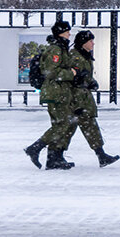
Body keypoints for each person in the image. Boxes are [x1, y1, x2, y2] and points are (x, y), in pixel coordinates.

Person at [24, 20, 79, 170]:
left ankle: (54, 158)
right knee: (63, 124)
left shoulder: (61, 48)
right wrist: (71, 73)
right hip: (56, 92)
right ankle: (35, 148)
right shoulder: (55, 49)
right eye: (67, 31)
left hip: (60, 91)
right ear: (61, 33)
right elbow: (51, 72)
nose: (69, 34)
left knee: (64, 123)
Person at [69, 30, 120, 167]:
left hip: (83, 98)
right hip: (77, 99)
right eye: (90, 41)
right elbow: (72, 79)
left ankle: (101, 155)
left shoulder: (84, 56)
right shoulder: (75, 57)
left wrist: (90, 81)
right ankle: (43, 150)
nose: (93, 43)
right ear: (83, 43)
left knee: (77, 128)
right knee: (68, 129)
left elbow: (82, 75)